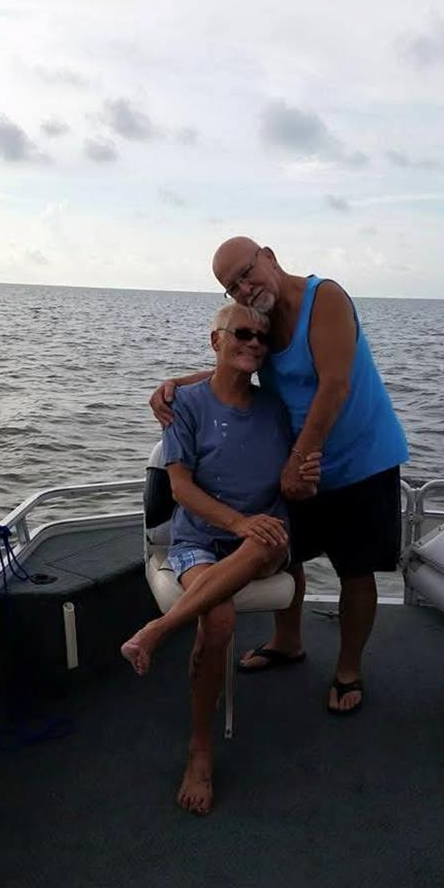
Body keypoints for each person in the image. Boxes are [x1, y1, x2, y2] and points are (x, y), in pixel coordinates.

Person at [150, 238, 409, 719]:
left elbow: (335, 384)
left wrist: (298, 459)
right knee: (289, 551)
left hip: (359, 462)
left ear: (269, 255)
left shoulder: (324, 297)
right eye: (233, 287)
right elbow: (241, 360)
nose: (245, 288)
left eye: (248, 273)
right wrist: (178, 385)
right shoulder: (263, 323)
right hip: (302, 461)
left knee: (356, 568)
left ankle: (349, 668)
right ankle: (287, 641)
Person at [122, 302, 320, 815]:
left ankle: (159, 631)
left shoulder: (278, 407)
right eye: (242, 334)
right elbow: (181, 487)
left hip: (265, 542)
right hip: (200, 540)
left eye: (262, 337)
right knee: (221, 616)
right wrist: (235, 521)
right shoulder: (183, 405)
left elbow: (297, 477)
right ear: (216, 341)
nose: (254, 343)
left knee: (265, 537)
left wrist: (303, 480)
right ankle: (200, 750)